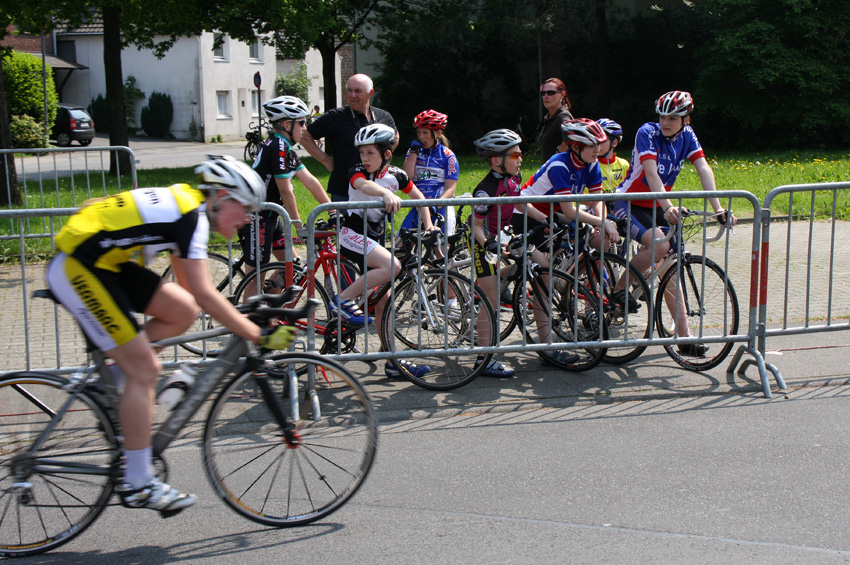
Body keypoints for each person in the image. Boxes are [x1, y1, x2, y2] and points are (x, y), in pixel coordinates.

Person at [44, 156, 296, 514]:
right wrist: (258, 335)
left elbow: (195, 296)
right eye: (245, 209)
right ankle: (138, 483)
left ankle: (111, 379)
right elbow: (209, 294)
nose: (247, 219)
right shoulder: (191, 218)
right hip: (77, 267)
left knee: (181, 309)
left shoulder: (188, 212)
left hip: (102, 262)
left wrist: (247, 320)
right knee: (145, 371)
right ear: (222, 197)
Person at [612, 90, 737, 355]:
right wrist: (668, 207)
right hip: (631, 202)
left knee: (672, 265)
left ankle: (685, 339)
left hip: (658, 204)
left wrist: (718, 209)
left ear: (685, 120)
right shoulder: (647, 132)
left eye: (672, 117)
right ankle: (618, 291)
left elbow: (703, 169)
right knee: (659, 246)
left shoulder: (687, 136)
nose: (665, 122)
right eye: (662, 116)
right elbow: (651, 173)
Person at [332, 123, 436, 379]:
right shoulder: (357, 171)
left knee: (384, 302)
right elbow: (364, 187)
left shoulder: (397, 175)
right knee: (393, 266)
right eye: (362, 153)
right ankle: (341, 301)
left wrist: (429, 226)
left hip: (373, 240)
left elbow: (419, 197)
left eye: (370, 153)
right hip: (352, 235)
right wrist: (385, 194)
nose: (364, 159)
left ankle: (393, 361)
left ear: (386, 155)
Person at [239, 95, 330, 299]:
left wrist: (331, 208)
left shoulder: (285, 147)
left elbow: (310, 180)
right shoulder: (278, 147)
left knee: (293, 267)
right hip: (257, 218)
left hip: (271, 216)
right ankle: (247, 326)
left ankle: (272, 309)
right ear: (288, 124)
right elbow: (286, 191)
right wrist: (298, 226)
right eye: (302, 123)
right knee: (255, 280)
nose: (305, 128)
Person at [520, 118, 621, 254]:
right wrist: (603, 222)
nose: (597, 150)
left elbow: (597, 199)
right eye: (592, 145)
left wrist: (601, 221)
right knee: (541, 267)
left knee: (594, 238)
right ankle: (502, 275)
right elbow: (570, 211)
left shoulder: (591, 162)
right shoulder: (559, 166)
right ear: (575, 147)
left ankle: (579, 272)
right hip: (527, 211)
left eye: (599, 144)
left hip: (553, 211)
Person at [300, 74, 397, 202]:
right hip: (344, 190)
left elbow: (395, 136)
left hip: (377, 189)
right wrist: (326, 160)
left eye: (358, 91)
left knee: (377, 223)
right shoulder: (335, 116)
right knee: (344, 223)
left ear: (370, 93)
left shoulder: (383, 116)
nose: (352, 95)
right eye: (349, 91)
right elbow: (304, 136)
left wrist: (383, 158)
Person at [400, 109, 459, 235]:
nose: (421, 137)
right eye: (419, 132)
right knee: (400, 246)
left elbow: (450, 189)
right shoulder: (413, 152)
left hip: (441, 207)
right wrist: (413, 154)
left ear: (438, 133)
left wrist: (436, 206)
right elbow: (406, 178)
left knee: (440, 248)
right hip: (419, 207)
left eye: (425, 132)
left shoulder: (448, 156)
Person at [537, 78, 574, 164]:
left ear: (562, 94)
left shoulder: (563, 116)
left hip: (559, 171)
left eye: (551, 93)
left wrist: (558, 154)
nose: (546, 96)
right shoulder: (550, 117)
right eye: (543, 93)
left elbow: (572, 136)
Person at [596, 118, 630, 198]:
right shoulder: (589, 164)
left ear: (614, 143)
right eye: (595, 140)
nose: (597, 145)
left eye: (602, 140)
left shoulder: (624, 164)